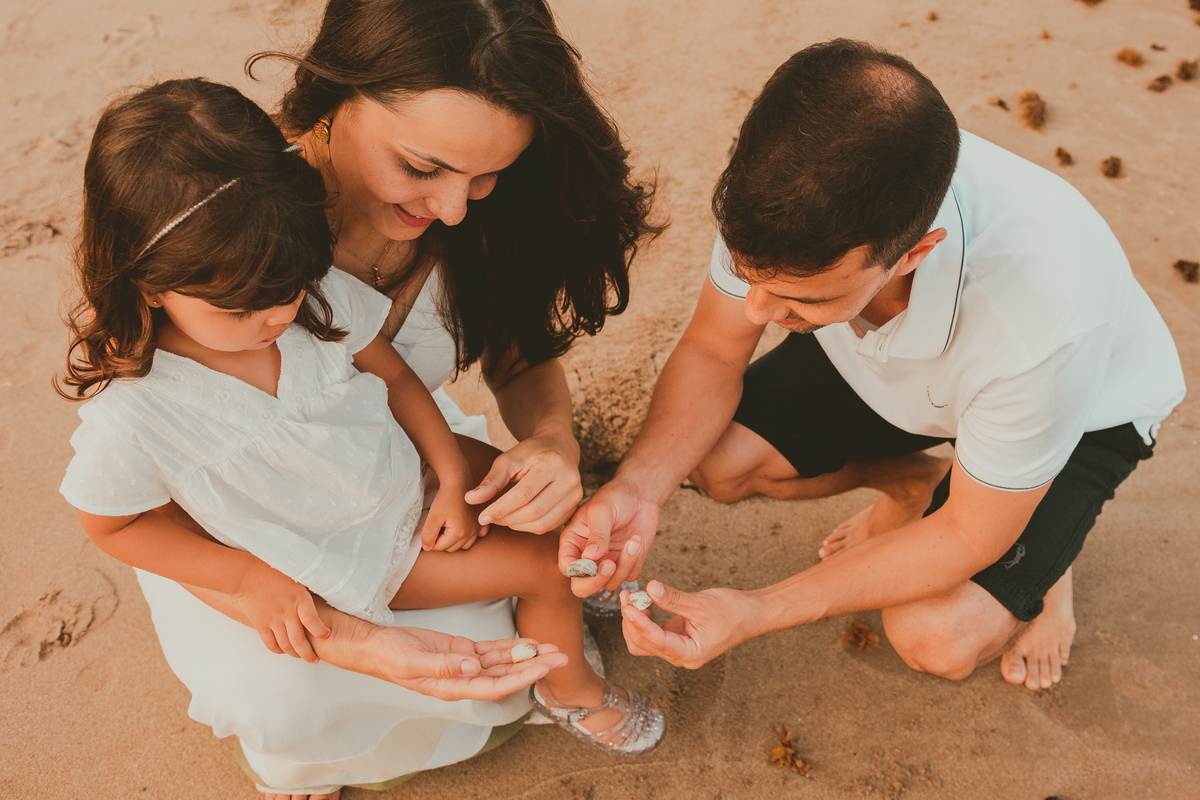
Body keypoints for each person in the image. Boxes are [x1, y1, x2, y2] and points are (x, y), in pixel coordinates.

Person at [58, 79, 665, 799]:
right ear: (150, 283)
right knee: (543, 563)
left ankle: (568, 597)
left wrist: (444, 462)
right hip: (351, 543)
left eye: (286, 289)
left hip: (393, 459)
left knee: (540, 504)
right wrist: (249, 578)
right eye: (242, 307)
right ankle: (571, 687)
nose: (276, 315)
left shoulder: (304, 289)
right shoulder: (136, 412)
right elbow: (113, 521)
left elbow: (395, 375)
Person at [561, 39, 1186, 696]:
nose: (758, 313)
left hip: (1079, 412)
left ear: (913, 254)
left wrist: (756, 609)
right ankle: (933, 484)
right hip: (885, 362)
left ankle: (1034, 538)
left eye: (802, 296)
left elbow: (969, 536)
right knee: (717, 462)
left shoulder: (1042, 321)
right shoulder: (780, 199)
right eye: (751, 278)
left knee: (936, 636)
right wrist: (636, 489)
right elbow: (715, 351)